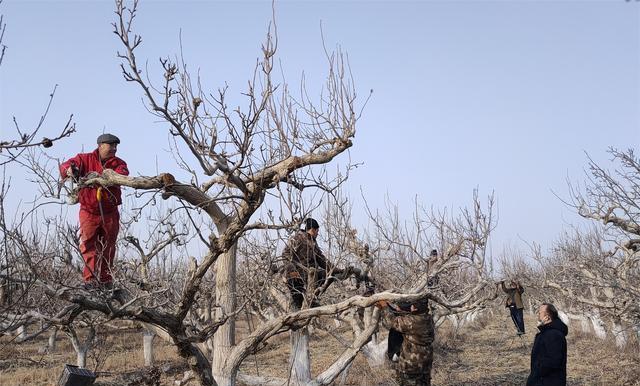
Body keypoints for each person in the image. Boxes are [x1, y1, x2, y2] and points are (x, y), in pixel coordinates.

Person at [60, 133, 129, 288]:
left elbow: (123, 174)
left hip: (110, 213)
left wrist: (108, 176)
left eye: (116, 146)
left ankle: (106, 281)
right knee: (89, 246)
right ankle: (90, 281)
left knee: (109, 246)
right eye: (111, 145)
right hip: (88, 212)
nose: (114, 149)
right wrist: (69, 170)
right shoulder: (84, 159)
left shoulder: (119, 163)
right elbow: (64, 166)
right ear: (100, 145)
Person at [281, 218, 347, 310]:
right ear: (313, 230)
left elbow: (321, 260)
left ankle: (313, 298)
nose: (318, 233)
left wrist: (336, 270)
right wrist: (293, 269)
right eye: (317, 231)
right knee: (298, 304)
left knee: (328, 275)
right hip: (295, 275)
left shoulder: (313, 242)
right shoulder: (297, 238)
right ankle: (297, 309)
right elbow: (285, 254)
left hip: (309, 275)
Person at [387, 300, 435, 386]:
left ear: (416, 308)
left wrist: (384, 307)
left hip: (411, 366)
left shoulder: (411, 321)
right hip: (425, 364)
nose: (411, 307)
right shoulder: (428, 318)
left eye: (413, 305)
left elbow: (391, 320)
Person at [527, 303, 568, 386]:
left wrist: (537, 373)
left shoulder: (553, 335)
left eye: (540, 312)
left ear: (547, 317)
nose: (538, 314)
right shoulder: (547, 332)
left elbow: (553, 361)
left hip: (547, 381)